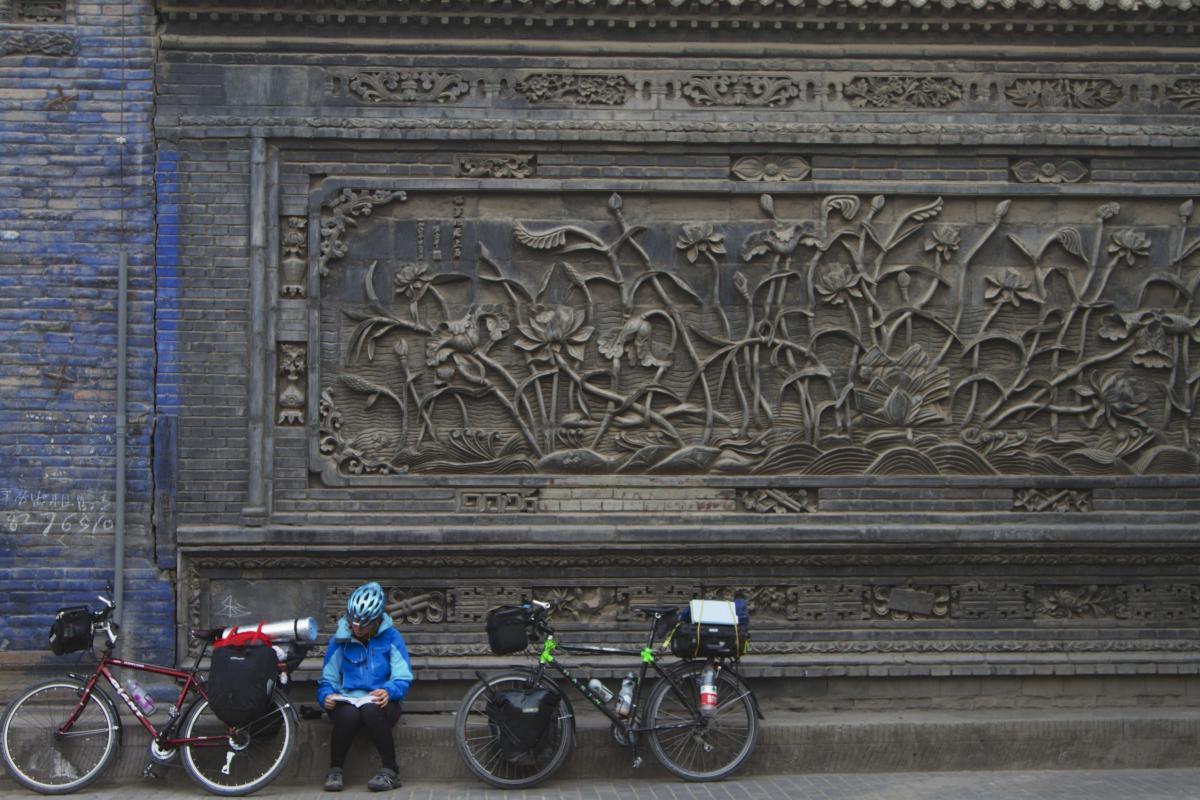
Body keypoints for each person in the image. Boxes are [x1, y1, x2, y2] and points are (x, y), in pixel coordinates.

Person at [317, 581, 413, 792]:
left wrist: (389, 691)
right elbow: (327, 679)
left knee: (370, 709)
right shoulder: (339, 641)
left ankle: (390, 771)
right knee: (348, 714)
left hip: (381, 704)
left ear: (377, 621)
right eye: (354, 622)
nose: (357, 628)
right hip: (348, 701)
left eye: (365, 624)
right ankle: (335, 771)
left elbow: (402, 676)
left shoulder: (391, 638)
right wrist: (326, 696)